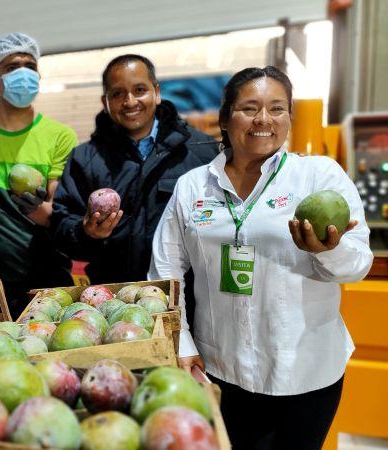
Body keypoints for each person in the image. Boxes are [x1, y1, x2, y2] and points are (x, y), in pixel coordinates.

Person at [149, 66, 373, 450]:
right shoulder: (193, 186)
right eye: (249, 108)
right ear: (225, 117)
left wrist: (329, 250)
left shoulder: (318, 176)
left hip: (305, 372)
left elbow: (358, 265)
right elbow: (165, 272)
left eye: (277, 108)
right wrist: (181, 343)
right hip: (221, 368)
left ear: (289, 117)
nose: (264, 120)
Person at [51, 54, 218, 284]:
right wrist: (86, 232)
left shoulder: (200, 152)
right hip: (116, 302)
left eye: (140, 90)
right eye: (118, 94)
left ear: (156, 93)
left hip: (187, 298)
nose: (130, 101)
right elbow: (61, 228)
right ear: (105, 101)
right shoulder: (84, 159)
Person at [0, 32, 77, 317]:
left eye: (29, 66)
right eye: (11, 67)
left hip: (46, 284)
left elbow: (58, 213)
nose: (23, 73)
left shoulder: (60, 137)